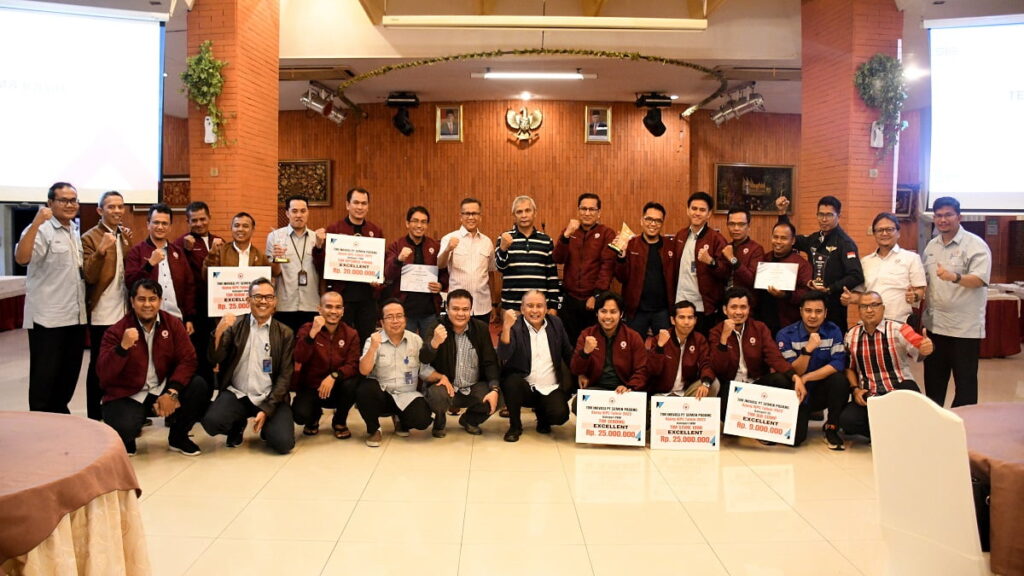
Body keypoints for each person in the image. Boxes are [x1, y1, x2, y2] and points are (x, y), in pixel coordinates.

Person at [98, 279, 210, 456]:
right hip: (129, 394)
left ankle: (178, 437)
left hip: (161, 388)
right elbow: (104, 374)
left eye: (153, 299)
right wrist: (122, 349)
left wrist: (172, 392)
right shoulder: (117, 331)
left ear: (160, 301)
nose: (147, 304)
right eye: (142, 299)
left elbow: (188, 360)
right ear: (132, 302)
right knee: (125, 427)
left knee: (199, 387)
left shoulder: (172, 324)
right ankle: (128, 438)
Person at [14, 182, 87, 413]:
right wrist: (36, 222)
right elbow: (22, 258)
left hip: (74, 316)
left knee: (68, 376)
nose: (70, 204)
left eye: (73, 200)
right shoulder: (41, 229)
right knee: (44, 380)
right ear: (50, 203)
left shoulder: (74, 230)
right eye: (64, 200)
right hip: (48, 319)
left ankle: (60, 418)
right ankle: (42, 427)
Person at [202, 278, 295, 454]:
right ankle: (237, 425)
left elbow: (285, 376)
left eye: (268, 297)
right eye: (258, 296)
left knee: (283, 444)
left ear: (275, 301)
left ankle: (267, 427)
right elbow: (215, 357)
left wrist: (267, 410)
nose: (263, 301)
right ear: (248, 300)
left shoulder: (285, 333)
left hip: (270, 396)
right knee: (212, 422)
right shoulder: (235, 325)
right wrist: (219, 332)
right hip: (239, 393)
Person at [922, 196, 991, 407]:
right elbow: (925, 280)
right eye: (939, 215)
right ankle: (935, 428)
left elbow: (980, 279)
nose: (943, 220)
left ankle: (964, 430)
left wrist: (956, 277)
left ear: (958, 217)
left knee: (965, 386)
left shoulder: (975, 245)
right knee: (933, 384)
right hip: (935, 327)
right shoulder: (931, 247)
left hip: (964, 330)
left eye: (948, 215)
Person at [841, 291, 933, 441]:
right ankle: (889, 435)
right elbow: (849, 369)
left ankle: (887, 433)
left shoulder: (898, 329)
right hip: (870, 394)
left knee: (912, 399)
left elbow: (918, 346)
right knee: (847, 420)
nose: (869, 310)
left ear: (883, 309)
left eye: (874, 305)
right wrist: (855, 389)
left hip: (898, 388)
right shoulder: (851, 335)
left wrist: (925, 348)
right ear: (859, 311)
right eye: (864, 306)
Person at [356, 299, 448, 447]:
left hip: (406, 395)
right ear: (382, 321)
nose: (395, 321)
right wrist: (373, 348)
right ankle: (374, 429)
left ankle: (400, 419)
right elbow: (363, 370)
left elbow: (423, 370)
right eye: (389, 317)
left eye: (399, 316)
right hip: (382, 394)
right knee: (364, 389)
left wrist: (441, 377)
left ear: (405, 319)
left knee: (422, 420)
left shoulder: (415, 340)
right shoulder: (373, 340)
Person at [710, 287, 806, 423]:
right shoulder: (716, 332)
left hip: (755, 384)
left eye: (743, 307)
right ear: (725, 310)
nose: (738, 312)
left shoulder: (759, 328)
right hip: (731, 386)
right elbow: (718, 367)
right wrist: (724, 339)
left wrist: (795, 376)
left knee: (781, 379)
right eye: (734, 307)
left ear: (749, 309)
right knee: (726, 417)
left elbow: (774, 356)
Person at [776, 195, 863, 331]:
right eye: (821, 214)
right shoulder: (814, 239)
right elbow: (790, 238)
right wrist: (782, 214)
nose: (824, 219)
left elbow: (856, 275)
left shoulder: (845, 243)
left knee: (833, 344)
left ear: (838, 216)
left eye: (829, 215)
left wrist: (830, 288)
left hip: (833, 306)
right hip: (812, 305)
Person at [775, 291, 850, 449]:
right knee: (795, 440)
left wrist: (807, 377)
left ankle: (831, 428)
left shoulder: (833, 330)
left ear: (825, 313)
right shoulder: (785, 334)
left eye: (818, 311)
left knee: (840, 380)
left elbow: (838, 363)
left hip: (820, 391)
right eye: (808, 311)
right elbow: (791, 369)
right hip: (797, 393)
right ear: (801, 311)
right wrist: (807, 350)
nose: (813, 316)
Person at [420, 290, 501, 437]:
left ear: (471, 310)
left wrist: (494, 388)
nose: (460, 314)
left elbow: (490, 362)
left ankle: (470, 420)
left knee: (499, 394)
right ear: (447, 309)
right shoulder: (436, 327)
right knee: (436, 396)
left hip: (473, 387)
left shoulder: (481, 328)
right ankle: (440, 420)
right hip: (446, 387)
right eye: (455, 309)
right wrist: (434, 343)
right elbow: (424, 360)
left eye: (465, 309)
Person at [82, 190, 133, 420]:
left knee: (123, 362)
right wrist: (101, 250)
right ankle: (95, 414)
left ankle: (119, 411)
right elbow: (90, 276)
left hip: (124, 310)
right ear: (100, 210)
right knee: (99, 366)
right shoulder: (90, 238)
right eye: (111, 207)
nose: (116, 211)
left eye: (120, 206)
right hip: (102, 312)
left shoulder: (124, 235)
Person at [497, 290, 573, 442]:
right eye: (530, 306)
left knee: (560, 415)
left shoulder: (555, 323)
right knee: (511, 381)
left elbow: (568, 353)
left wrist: (581, 370)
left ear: (546, 309)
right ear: (522, 308)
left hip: (549, 386)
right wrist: (506, 327)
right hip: (524, 387)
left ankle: (543, 417)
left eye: (539, 306)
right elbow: (503, 355)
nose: (535, 310)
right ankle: (515, 426)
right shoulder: (515, 325)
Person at [312, 187, 385, 343]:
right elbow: (321, 266)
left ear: (368, 206)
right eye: (356, 203)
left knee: (366, 340)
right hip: (342, 296)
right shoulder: (334, 229)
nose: (360, 207)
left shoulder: (375, 231)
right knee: (340, 339)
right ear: (347, 205)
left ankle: (364, 368)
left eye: (364, 203)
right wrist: (318, 247)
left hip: (367, 298)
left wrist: (377, 280)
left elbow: (380, 264)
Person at [292, 291, 361, 439]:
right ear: (319, 309)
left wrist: (334, 376)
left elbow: (353, 364)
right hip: (312, 387)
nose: (333, 311)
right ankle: (314, 416)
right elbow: (299, 357)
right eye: (328, 307)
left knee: (353, 383)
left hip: (337, 387)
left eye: (338, 307)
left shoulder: (351, 333)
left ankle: (340, 420)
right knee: (300, 416)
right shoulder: (307, 328)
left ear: (343, 311)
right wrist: (312, 334)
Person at [840, 212, 926, 324]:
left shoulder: (911, 258)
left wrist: (914, 296)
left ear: (898, 232)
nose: (884, 233)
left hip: (898, 324)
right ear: (874, 234)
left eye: (889, 229)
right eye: (880, 230)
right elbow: (860, 295)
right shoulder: (865, 262)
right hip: (869, 324)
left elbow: (920, 290)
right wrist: (850, 298)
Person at [553, 193, 616, 345]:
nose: (587, 213)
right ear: (578, 210)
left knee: (593, 344)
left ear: (599, 212)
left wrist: (597, 295)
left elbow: (607, 266)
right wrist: (566, 236)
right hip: (570, 299)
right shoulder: (569, 231)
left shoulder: (607, 233)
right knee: (569, 343)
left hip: (592, 300)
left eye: (592, 209)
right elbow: (557, 258)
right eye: (584, 209)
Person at [125, 204, 196, 335]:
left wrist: (189, 318)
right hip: (147, 319)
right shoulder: (137, 251)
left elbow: (189, 287)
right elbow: (130, 283)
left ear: (170, 227)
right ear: (148, 224)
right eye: (156, 222)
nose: (160, 227)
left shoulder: (178, 253)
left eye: (164, 223)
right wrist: (150, 264)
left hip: (176, 318)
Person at [570, 291, 647, 410]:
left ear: (621, 314)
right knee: (577, 405)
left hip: (624, 389)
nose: (608, 317)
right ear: (597, 313)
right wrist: (585, 353)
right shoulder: (587, 334)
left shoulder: (633, 337)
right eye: (603, 311)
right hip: (598, 389)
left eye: (613, 312)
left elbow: (642, 369)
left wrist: (630, 387)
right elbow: (575, 369)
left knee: (642, 413)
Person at [174, 201, 222, 385]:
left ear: (209, 218)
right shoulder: (181, 244)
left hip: (218, 307)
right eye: (194, 220)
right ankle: (199, 395)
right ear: (187, 221)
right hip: (196, 310)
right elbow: (181, 280)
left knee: (216, 352)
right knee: (198, 355)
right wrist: (188, 316)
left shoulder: (219, 241)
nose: (199, 224)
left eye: (203, 219)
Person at [668, 192, 730, 335]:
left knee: (701, 347)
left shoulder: (716, 239)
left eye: (702, 210)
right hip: (680, 302)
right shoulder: (681, 235)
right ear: (688, 211)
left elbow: (726, 272)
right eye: (694, 209)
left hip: (703, 306)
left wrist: (712, 262)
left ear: (708, 214)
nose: (697, 213)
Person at [612, 202, 674, 336]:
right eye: (649, 219)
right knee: (634, 350)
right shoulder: (631, 244)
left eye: (658, 221)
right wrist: (621, 257)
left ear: (662, 223)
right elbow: (621, 277)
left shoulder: (670, 246)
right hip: (636, 310)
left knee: (664, 350)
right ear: (641, 220)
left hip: (662, 311)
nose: (653, 224)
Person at [384, 206, 446, 338]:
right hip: (404, 311)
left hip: (429, 310)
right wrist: (399, 259)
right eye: (415, 221)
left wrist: (440, 285)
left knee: (430, 349)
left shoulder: (435, 246)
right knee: (405, 350)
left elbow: (444, 272)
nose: (419, 225)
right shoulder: (396, 245)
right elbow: (388, 273)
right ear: (407, 223)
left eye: (423, 222)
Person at [495, 195, 561, 311]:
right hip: (512, 307)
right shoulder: (504, 238)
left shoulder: (546, 240)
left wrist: (553, 306)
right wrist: (503, 249)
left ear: (534, 213)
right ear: (514, 216)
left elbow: (552, 276)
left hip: (539, 307)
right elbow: (500, 267)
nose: (524, 215)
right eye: (519, 212)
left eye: (527, 211)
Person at [439, 197, 498, 325]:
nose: (471, 217)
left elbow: (491, 273)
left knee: (480, 344)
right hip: (458, 308)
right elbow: (440, 265)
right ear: (461, 216)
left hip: (483, 306)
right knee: (457, 343)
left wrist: (494, 304)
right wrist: (448, 249)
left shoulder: (487, 242)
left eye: (475, 213)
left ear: (480, 216)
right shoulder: (449, 238)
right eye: (467, 213)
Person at [268, 195, 321, 334]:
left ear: (308, 212)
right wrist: (275, 259)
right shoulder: (275, 237)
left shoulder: (317, 239)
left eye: (303, 211)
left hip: (311, 304)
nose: (299, 215)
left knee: (308, 350)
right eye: (294, 211)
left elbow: (322, 270)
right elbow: (274, 273)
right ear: (287, 213)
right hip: (284, 305)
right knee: (285, 351)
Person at [647, 300, 717, 397]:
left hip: (686, 393)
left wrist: (705, 384)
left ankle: (694, 410)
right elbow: (652, 371)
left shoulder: (699, 339)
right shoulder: (661, 338)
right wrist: (660, 347)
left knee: (714, 383)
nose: (686, 322)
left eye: (690, 317)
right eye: (681, 317)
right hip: (662, 394)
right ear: (673, 320)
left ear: (695, 320)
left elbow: (706, 364)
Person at [756, 220, 812, 335]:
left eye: (783, 238)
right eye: (775, 237)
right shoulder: (765, 258)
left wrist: (786, 295)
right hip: (763, 320)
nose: (778, 242)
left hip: (788, 323)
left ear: (793, 241)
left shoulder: (801, 264)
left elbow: (806, 294)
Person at [202, 212, 277, 277]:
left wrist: (278, 258)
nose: (240, 229)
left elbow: (275, 273)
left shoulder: (260, 255)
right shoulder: (221, 252)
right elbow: (207, 277)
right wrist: (211, 255)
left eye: (245, 226)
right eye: (236, 225)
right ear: (231, 228)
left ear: (253, 230)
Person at [722, 207, 764, 297]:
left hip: (746, 303)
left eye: (741, 224)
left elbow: (752, 280)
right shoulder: (726, 248)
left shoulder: (756, 249)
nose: (736, 228)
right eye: (732, 224)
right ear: (727, 225)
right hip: (726, 301)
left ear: (748, 226)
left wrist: (732, 259)